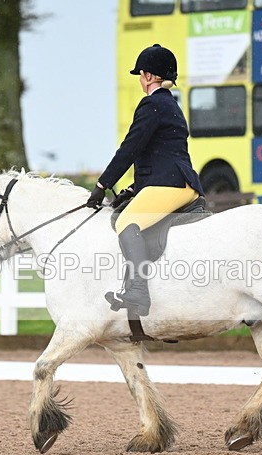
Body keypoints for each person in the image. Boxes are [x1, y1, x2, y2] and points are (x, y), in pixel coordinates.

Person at [86, 44, 205, 317]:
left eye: (141, 74)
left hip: (171, 185)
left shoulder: (153, 104)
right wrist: (134, 189)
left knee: (127, 222)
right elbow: (158, 155)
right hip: (174, 182)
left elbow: (131, 148)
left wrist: (102, 185)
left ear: (149, 76)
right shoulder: (169, 104)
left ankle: (138, 291)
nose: (140, 80)